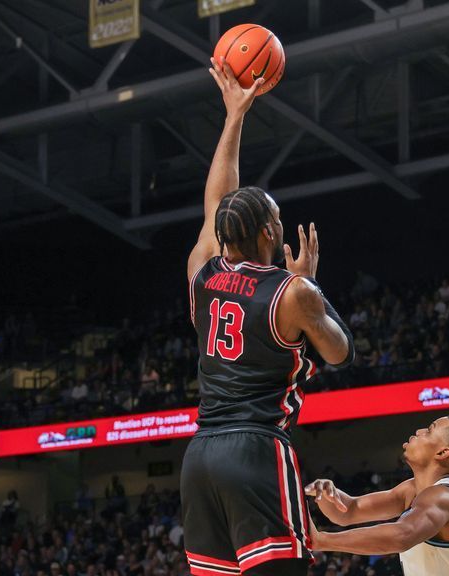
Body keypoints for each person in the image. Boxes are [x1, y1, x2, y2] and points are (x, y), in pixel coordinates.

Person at [180, 57, 354, 576]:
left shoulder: (202, 272)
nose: (281, 226)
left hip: (200, 458)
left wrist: (234, 115)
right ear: (266, 235)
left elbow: (217, 201)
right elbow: (339, 352)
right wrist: (312, 285)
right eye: (276, 220)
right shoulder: (292, 292)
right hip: (255, 451)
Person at [306, 416, 449, 575]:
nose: (420, 431)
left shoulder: (447, 497)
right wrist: (325, 494)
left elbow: (402, 535)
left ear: (442, 452)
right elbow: (348, 511)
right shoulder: (412, 490)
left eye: (429, 431)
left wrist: (322, 540)